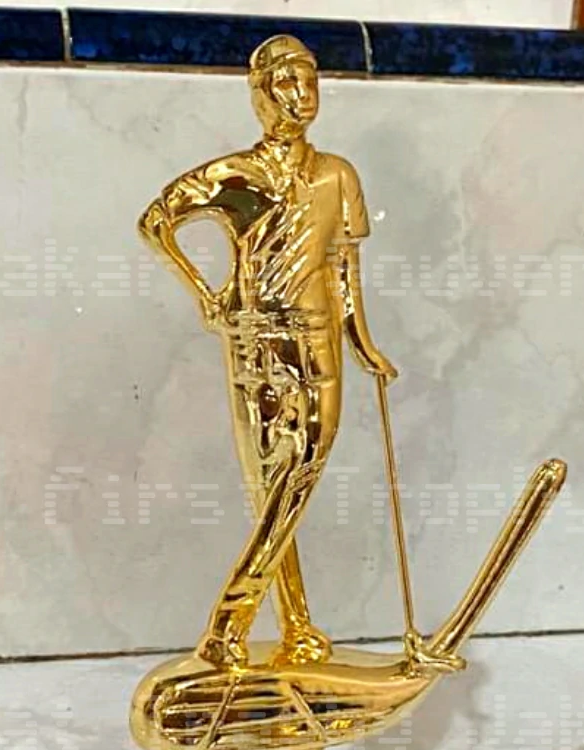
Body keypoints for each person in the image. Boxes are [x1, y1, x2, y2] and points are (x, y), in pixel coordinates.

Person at [139, 34, 397, 671]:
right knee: (271, 489)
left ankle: (249, 622)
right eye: (285, 84)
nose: (300, 96)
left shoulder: (337, 175)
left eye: (309, 82)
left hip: (319, 339)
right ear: (258, 96)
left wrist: (362, 342)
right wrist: (206, 296)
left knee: (301, 471)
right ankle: (275, 627)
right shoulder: (237, 175)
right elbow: (157, 222)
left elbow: (343, 267)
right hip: (255, 341)